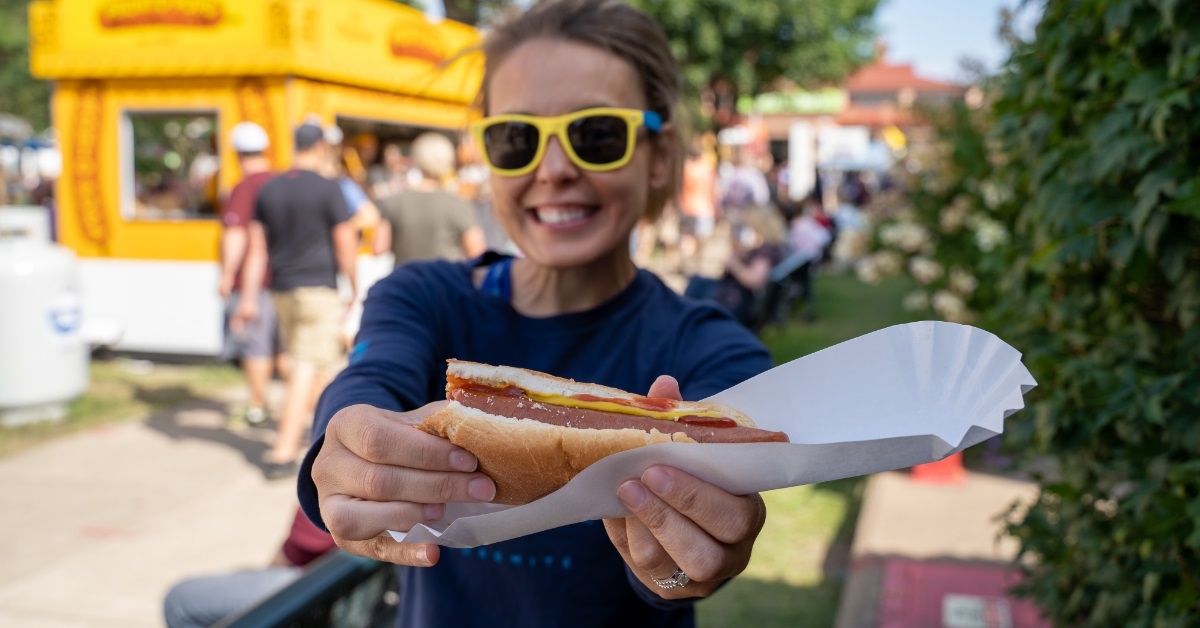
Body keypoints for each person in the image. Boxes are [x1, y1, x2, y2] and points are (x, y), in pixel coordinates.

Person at [301, 1, 773, 626]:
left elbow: (693, 558)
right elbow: (370, 381)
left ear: (659, 157)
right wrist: (340, 453)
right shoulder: (424, 296)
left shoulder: (714, 348)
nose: (553, 171)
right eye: (515, 139)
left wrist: (682, 564)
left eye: (596, 134)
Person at [234, 122, 356, 480]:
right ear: (319, 146)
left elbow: (257, 250)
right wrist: (354, 286)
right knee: (306, 366)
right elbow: (345, 242)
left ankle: (322, 437)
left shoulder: (269, 189)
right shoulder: (328, 188)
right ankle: (284, 451)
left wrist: (250, 296)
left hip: (282, 290)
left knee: (319, 364)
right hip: (317, 290)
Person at [162, 507, 336, 628]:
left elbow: (292, 556)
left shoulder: (337, 464)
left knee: (180, 602)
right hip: (345, 588)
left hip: (329, 595)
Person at [219, 122, 285, 427]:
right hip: (286, 280)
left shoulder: (245, 187)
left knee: (256, 345)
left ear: (236, 153)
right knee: (284, 350)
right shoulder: (279, 181)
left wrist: (227, 273)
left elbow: (237, 235)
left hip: (255, 282)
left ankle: (258, 406)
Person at [373, 132, 486, 265]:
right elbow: (477, 253)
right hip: (447, 281)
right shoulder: (459, 204)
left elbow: (379, 247)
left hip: (406, 280)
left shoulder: (394, 201)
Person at [684, 204, 788, 329]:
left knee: (696, 288)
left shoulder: (765, 251)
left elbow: (755, 280)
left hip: (736, 302)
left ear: (758, 225)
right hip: (733, 295)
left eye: (747, 225)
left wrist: (734, 264)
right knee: (698, 282)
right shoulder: (766, 247)